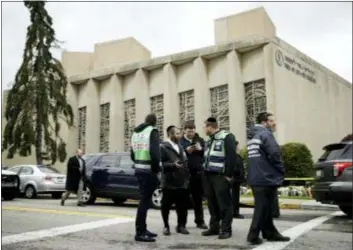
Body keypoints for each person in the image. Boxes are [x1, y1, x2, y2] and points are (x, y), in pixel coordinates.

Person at [246, 112, 290, 245]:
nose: (274, 123)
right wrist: (281, 169)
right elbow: (274, 153)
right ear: (265, 122)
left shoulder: (253, 136)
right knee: (263, 207)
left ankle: (270, 232)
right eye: (272, 121)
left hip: (256, 176)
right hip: (265, 177)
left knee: (266, 207)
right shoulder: (265, 134)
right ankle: (253, 235)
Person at [202, 117, 237, 240]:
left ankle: (226, 229)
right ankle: (214, 227)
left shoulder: (227, 137)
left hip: (221, 176)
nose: (204, 129)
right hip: (208, 176)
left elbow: (232, 157)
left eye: (204, 127)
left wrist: (229, 175)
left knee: (224, 204)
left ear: (210, 127)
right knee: (212, 203)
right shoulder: (209, 140)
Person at [130, 113, 161, 242]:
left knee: (146, 200)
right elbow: (155, 153)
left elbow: (132, 153)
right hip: (149, 171)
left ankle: (143, 228)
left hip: (139, 169)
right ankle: (140, 232)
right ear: (154, 122)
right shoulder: (152, 131)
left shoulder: (135, 133)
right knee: (144, 201)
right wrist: (156, 169)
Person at [160, 125, 190, 236]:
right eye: (177, 133)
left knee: (182, 206)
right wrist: (173, 165)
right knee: (166, 206)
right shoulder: (162, 147)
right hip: (168, 182)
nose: (180, 135)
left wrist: (186, 175)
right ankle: (166, 226)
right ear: (171, 135)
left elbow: (185, 161)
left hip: (181, 181)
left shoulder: (180, 147)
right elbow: (160, 164)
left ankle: (181, 226)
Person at [179, 121, 208, 230]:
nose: (191, 133)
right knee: (183, 200)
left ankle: (200, 221)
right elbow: (177, 156)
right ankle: (182, 224)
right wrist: (186, 151)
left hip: (197, 173)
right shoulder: (180, 141)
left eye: (192, 131)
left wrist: (201, 149)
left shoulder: (199, 140)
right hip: (185, 174)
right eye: (189, 131)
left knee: (198, 199)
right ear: (184, 130)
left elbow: (207, 154)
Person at [232, 141, 246, 219]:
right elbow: (236, 168)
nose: (238, 147)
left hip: (236, 179)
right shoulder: (234, 156)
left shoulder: (236, 155)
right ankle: (234, 213)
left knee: (235, 196)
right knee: (234, 197)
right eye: (237, 146)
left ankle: (235, 212)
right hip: (234, 179)